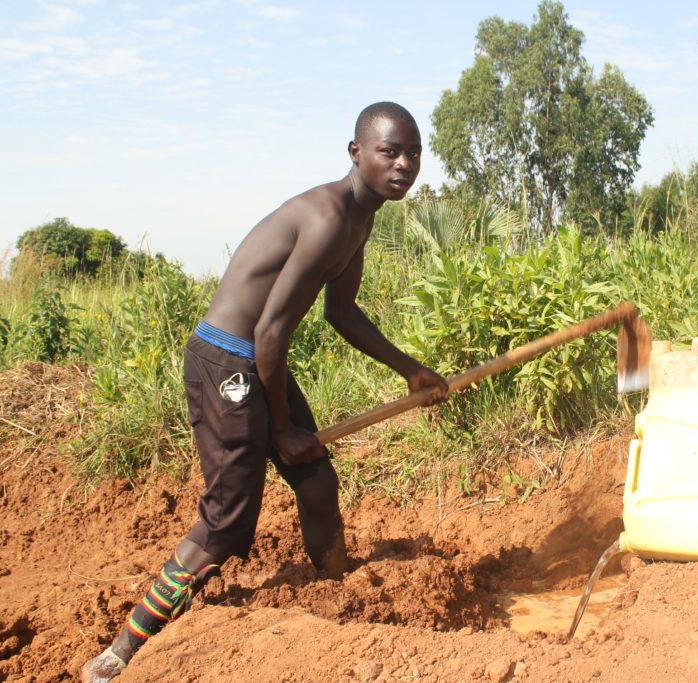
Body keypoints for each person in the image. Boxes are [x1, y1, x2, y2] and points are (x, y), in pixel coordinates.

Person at [81, 101, 449, 682]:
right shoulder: (329, 215)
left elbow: (342, 312)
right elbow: (269, 330)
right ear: (357, 154)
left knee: (317, 480)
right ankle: (123, 649)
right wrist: (281, 427)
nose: (405, 164)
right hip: (226, 359)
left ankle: (340, 599)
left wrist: (411, 370)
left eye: (414, 153)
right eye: (390, 151)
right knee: (229, 519)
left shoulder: (361, 217)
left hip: (255, 357)